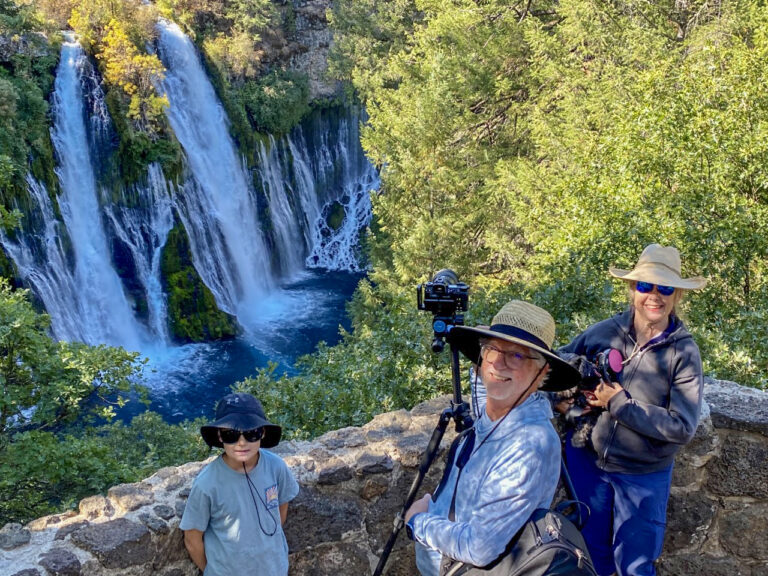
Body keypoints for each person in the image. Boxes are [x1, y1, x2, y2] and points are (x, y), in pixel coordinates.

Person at [557, 244, 707, 576]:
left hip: (643, 475)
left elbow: (682, 426)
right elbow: (558, 365)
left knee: (635, 566)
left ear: (677, 296)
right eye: (645, 286)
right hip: (588, 464)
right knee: (587, 559)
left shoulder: (683, 352)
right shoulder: (604, 331)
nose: (654, 296)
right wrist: (562, 399)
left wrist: (618, 403)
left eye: (665, 288)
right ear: (632, 289)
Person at [403, 300, 580, 576]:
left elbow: (480, 547)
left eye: (517, 356)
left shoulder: (529, 445)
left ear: (542, 374)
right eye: (491, 349)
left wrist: (418, 521)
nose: (498, 363)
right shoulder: (493, 418)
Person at [180, 393, 299, 576]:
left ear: (263, 433)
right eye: (231, 435)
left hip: (274, 569)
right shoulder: (207, 484)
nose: (242, 443)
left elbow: (281, 508)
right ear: (220, 436)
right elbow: (192, 538)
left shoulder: (276, 467)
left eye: (252, 433)